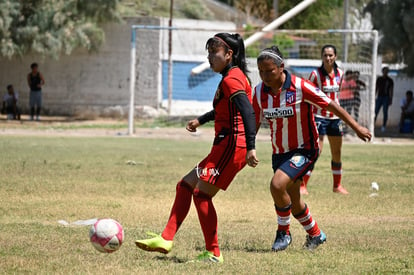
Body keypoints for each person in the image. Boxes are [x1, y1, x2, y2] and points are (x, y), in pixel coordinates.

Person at [135, 33, 259, 263]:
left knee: (201, 194)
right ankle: (166, 238)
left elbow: (248, 112)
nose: (210, 57)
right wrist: (200, 120)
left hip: (232, 146)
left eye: (214, 52)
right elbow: (224, 109)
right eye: (208, 52)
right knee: (185, 185)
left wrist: (251, 147)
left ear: (229, 54)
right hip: (224, 145)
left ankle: (213, 253)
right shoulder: (232, 77)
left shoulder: (232, 79)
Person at [252, 46, 371, 252]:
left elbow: (332, 106)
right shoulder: (259, 92)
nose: (264, 75)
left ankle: (283, 233)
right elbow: (254, 121)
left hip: (305, 149)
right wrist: (249, 147)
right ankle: (316, 234)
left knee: (277, 185)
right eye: (261, 71)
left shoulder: (300, 86)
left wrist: (357, 127)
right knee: (294, 201)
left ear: (281, 67)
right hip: (279, 152)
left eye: (269, 70)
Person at [301, 44, 349, 195]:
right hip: (319, 117)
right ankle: (303, 185)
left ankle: (337, 186)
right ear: (321, 57)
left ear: (335, 57)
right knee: (317, 151)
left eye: (331, 55)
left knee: (337, 152)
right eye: (325, 55)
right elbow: (307, 95)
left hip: (335, 119)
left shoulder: (340, 73)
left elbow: (338, 95)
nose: (328, 58)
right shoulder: (315, 75)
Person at [374, 66, 393, 132]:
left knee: (385, 112)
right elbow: (376, 88)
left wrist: (390, 99)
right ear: (382, 72)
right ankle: (373, 125)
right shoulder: (379, 79)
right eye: (384, 71)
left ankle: (384, 126)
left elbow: (391, 90)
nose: (385, 72)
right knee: (375, 111)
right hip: (379, 97)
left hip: (386, 97)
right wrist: (374, 96)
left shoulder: (390, 80)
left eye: (387, 71)